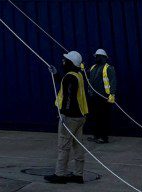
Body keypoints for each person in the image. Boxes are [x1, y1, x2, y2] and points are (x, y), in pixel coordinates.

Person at [45, 50, 88, 184]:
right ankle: (78, 175)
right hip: (80, 116)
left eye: (66, 60)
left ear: (71, 63)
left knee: (63, 146)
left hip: (70, 118)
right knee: (78, 146)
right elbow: (66, 84)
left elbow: (69, 97)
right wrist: (56, 73)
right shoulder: (77, 75)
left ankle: (60, 175)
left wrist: (64, 113)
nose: (63, 61)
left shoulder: (70, 77)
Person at [86, 48, 117, 143]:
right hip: (93, 97)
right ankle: (96, 136)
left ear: (104, 57)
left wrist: (112, 94)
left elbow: (113, 81)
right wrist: (83, 69)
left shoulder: (108, 68)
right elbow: (87, 76)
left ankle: (103, 137)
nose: (97, 58)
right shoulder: (93, 67)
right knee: (94, 117)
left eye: (99, 56)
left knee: (103, 118)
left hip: (103, 98)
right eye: (96, 56)